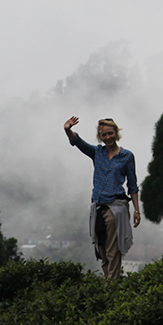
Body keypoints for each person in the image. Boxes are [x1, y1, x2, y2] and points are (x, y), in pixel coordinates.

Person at [64, 115, 141, 280]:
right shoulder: (98, 153)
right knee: (101, 249)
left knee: (113, 249)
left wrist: (137, 210)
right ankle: (108, 282)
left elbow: (133, 185)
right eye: (104, 135)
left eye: (110, 133)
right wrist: (68, 130)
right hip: (98, 206)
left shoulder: (127, 156)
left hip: (115, 207)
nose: (108, 138)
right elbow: (79, 143)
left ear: (116, 133)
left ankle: (111, 286)